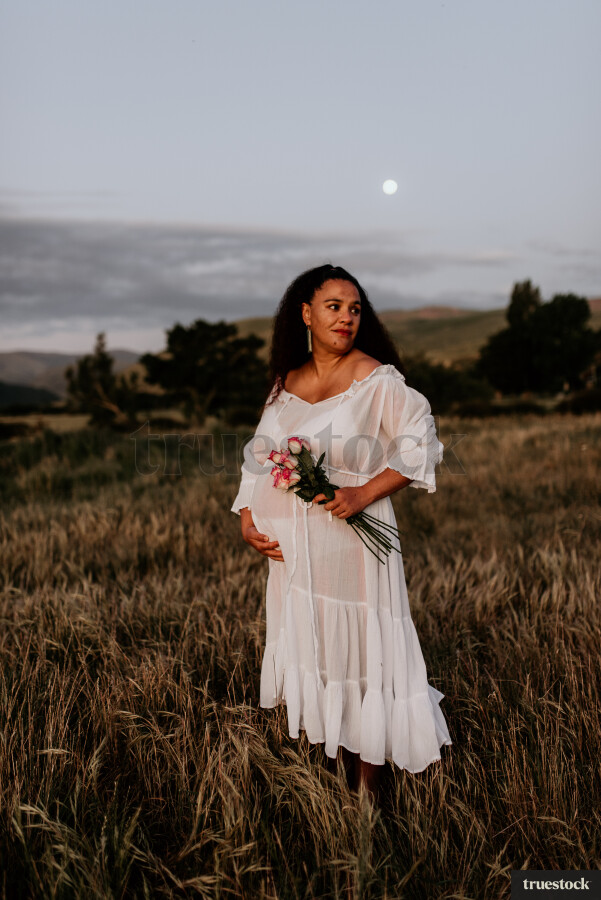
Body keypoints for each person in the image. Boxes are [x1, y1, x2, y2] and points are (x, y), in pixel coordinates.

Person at [231, 264, 451, 799]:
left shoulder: (374, 379)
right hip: (295, 558)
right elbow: (259, 457)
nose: (346, 317)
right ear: (306, 313)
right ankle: (333, 763)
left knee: (364, 654)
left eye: (354, 308)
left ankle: (370, 789)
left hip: (354, 543)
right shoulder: (287, 383)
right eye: (334, 306)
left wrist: (362, 494)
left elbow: (422, 443)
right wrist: (246, 519)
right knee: (320, 653)